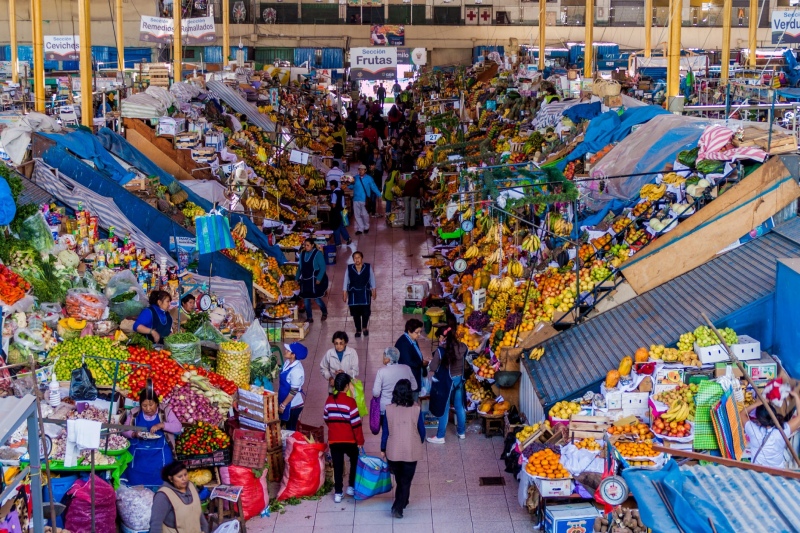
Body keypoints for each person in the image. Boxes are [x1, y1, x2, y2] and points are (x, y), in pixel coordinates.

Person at [381, 379, 426, 519]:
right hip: (411, 449)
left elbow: (385, 433)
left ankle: (404, 501)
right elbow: (422, 431)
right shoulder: (416, 409)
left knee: (400, 480)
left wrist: (383, 448)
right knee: (406, 481)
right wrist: (418, 441)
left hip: (393, 451)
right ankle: (398, 507)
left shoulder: (388, 409)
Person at [122, 384, 182, 487]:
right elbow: (124, 430)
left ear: (157, 403)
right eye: (144, 406)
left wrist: (162, 425)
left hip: (160, 451)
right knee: (134, 473)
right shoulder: (135, 413)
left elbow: (178, 427)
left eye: (151, 405)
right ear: (140, 405)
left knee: (163, 473)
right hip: (138, 451)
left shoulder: (165, 411)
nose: (148, 409)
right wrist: (134, 434)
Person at [323, 373, 365, 503]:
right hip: (350, 440)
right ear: (347, 386)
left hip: (334, 440)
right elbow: (356, 424)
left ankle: (338, 492)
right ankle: (351, 486)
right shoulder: (350, 402)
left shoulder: (329, 400)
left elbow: (326, 418)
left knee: (338, 465)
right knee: (354, 460)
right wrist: (360, 441)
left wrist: (335, 428)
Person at [426, 327, 468, 444]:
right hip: (459, 380)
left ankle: (440, 436)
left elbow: (433, 367)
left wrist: (429, 363)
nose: (439, 339)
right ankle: (461, 432)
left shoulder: (441, 350)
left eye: (440, 336)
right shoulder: (463, 346)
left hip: (447, 382)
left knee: (445, 408)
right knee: (459, 407)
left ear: (444, 338)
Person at [742, 387, 800, 468]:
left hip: (757, 472)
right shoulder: (782, 430)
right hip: (778, 473)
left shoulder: (752, 429)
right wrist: (796, 397)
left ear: (758, 418)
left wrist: (758, 403)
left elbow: (742, 414)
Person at [150, 462, 209, 533]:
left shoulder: (191, 487)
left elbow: (198, 511)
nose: (184, 479)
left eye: (185, 474)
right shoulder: (163, 496)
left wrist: (205, 528)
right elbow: (156, 524)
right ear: (170, 478)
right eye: (180, 476)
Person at [373, 347, 417, 428]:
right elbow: (414, 387)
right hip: (404, 406)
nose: (383, 358)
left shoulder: (381, 371)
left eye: (384, 356)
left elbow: (376, 393)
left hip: (386, 408)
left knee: (387, 432)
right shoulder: (406, 368)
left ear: (388, 359)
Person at [342, 251, 376, 337]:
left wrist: (374, 290)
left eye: (358, 257)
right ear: (353, 259)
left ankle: (364, 327)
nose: (357, 259)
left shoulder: (368, 267)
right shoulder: (349, 268)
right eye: (355, 258)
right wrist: (344, 292)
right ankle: (358, 329)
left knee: (366, 313)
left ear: (362, 258)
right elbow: (346, 280)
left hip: (365, 293)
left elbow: (372, 279)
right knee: (355, 314)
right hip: (353, 294)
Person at [296, 238, 328, 322]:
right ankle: (309, 317)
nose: (306, 247)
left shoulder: (317, 254)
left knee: (317, 299)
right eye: (304, 245)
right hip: (305, 281)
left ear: (312, 245)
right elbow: (300, 267)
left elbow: (323, 267)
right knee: (306, 300)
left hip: (314, 281)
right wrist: (296, 278)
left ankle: (324, 312)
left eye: (307, 245)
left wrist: (319, 278)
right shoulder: (302, 254)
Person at [395, 319, 427, 400]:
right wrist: (421, 363)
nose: (419, 335)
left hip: (415, 375)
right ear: (409, 331)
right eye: (417, 332)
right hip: (409, 377)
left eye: (420, 332)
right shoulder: (403, 343)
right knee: (412, 400)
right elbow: (408, 362)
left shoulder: (412, 340)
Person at [279, 342, 308, 430]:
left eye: (288, 350)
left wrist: (283, 405)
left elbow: (293, 391)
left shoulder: (297, 371)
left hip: (293, 405)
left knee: (290, 430)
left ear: (293, 355)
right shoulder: (288, 362)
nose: (285, 351)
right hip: (284, 401)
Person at [350, 164, 382, 235]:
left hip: (364, 199)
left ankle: (366, 227)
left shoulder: (369, 178)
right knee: (357, 215)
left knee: (365, 215)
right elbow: (351, 186)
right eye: (359, 169)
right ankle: (360, 228)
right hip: (356, 199)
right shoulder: (355, 178)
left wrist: (379, 194)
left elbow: (373, 187)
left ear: (365, 170)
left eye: (362, 169)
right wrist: (347, 183)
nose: (360, 171)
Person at [329, 180, 352, 248]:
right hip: (341, 211)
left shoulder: (335, 193)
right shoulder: (341, 191)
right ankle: (348, 238)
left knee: (336, 227)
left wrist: (329, 204)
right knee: (341, 226)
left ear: (333, 185)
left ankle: (338, 242)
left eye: (331, 186)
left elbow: (333, 205)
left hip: (336, 212)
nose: (330, 187)